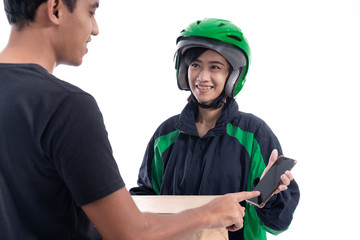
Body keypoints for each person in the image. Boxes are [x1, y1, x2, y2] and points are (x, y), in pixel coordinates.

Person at [0, 2, 261, 240]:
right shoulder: (66, 107)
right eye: (90, 12)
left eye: (215, 67)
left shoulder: (254, 133)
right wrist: (210, 214)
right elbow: (129, 232)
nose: (95, 28)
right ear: (55, 8)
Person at [130, 18, 300, 240]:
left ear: (233, 76)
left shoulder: (254, 135)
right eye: (195, 65)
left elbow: (279, 223)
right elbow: (146, 199)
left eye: (215, 67)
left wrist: (271, 193)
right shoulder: (166, 135)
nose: (202, 77)